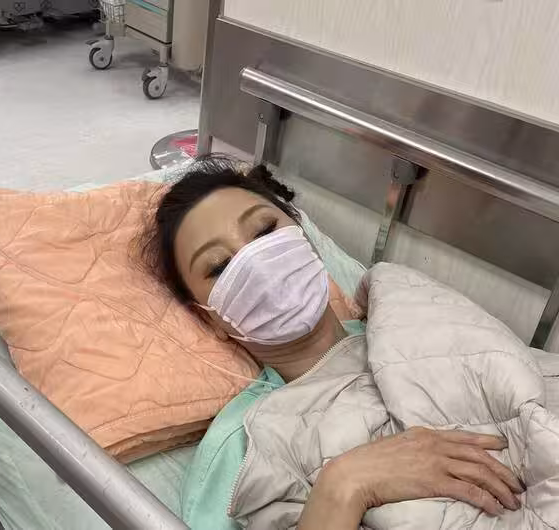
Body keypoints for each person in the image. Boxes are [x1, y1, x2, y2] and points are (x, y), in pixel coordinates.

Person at [140, 156, 524, 529]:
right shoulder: (241, 442)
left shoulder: (408, 315)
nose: (257, 263)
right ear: (210, 317)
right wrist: (345, 485)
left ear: (303, 237)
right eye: (220, 266)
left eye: (264, 231)